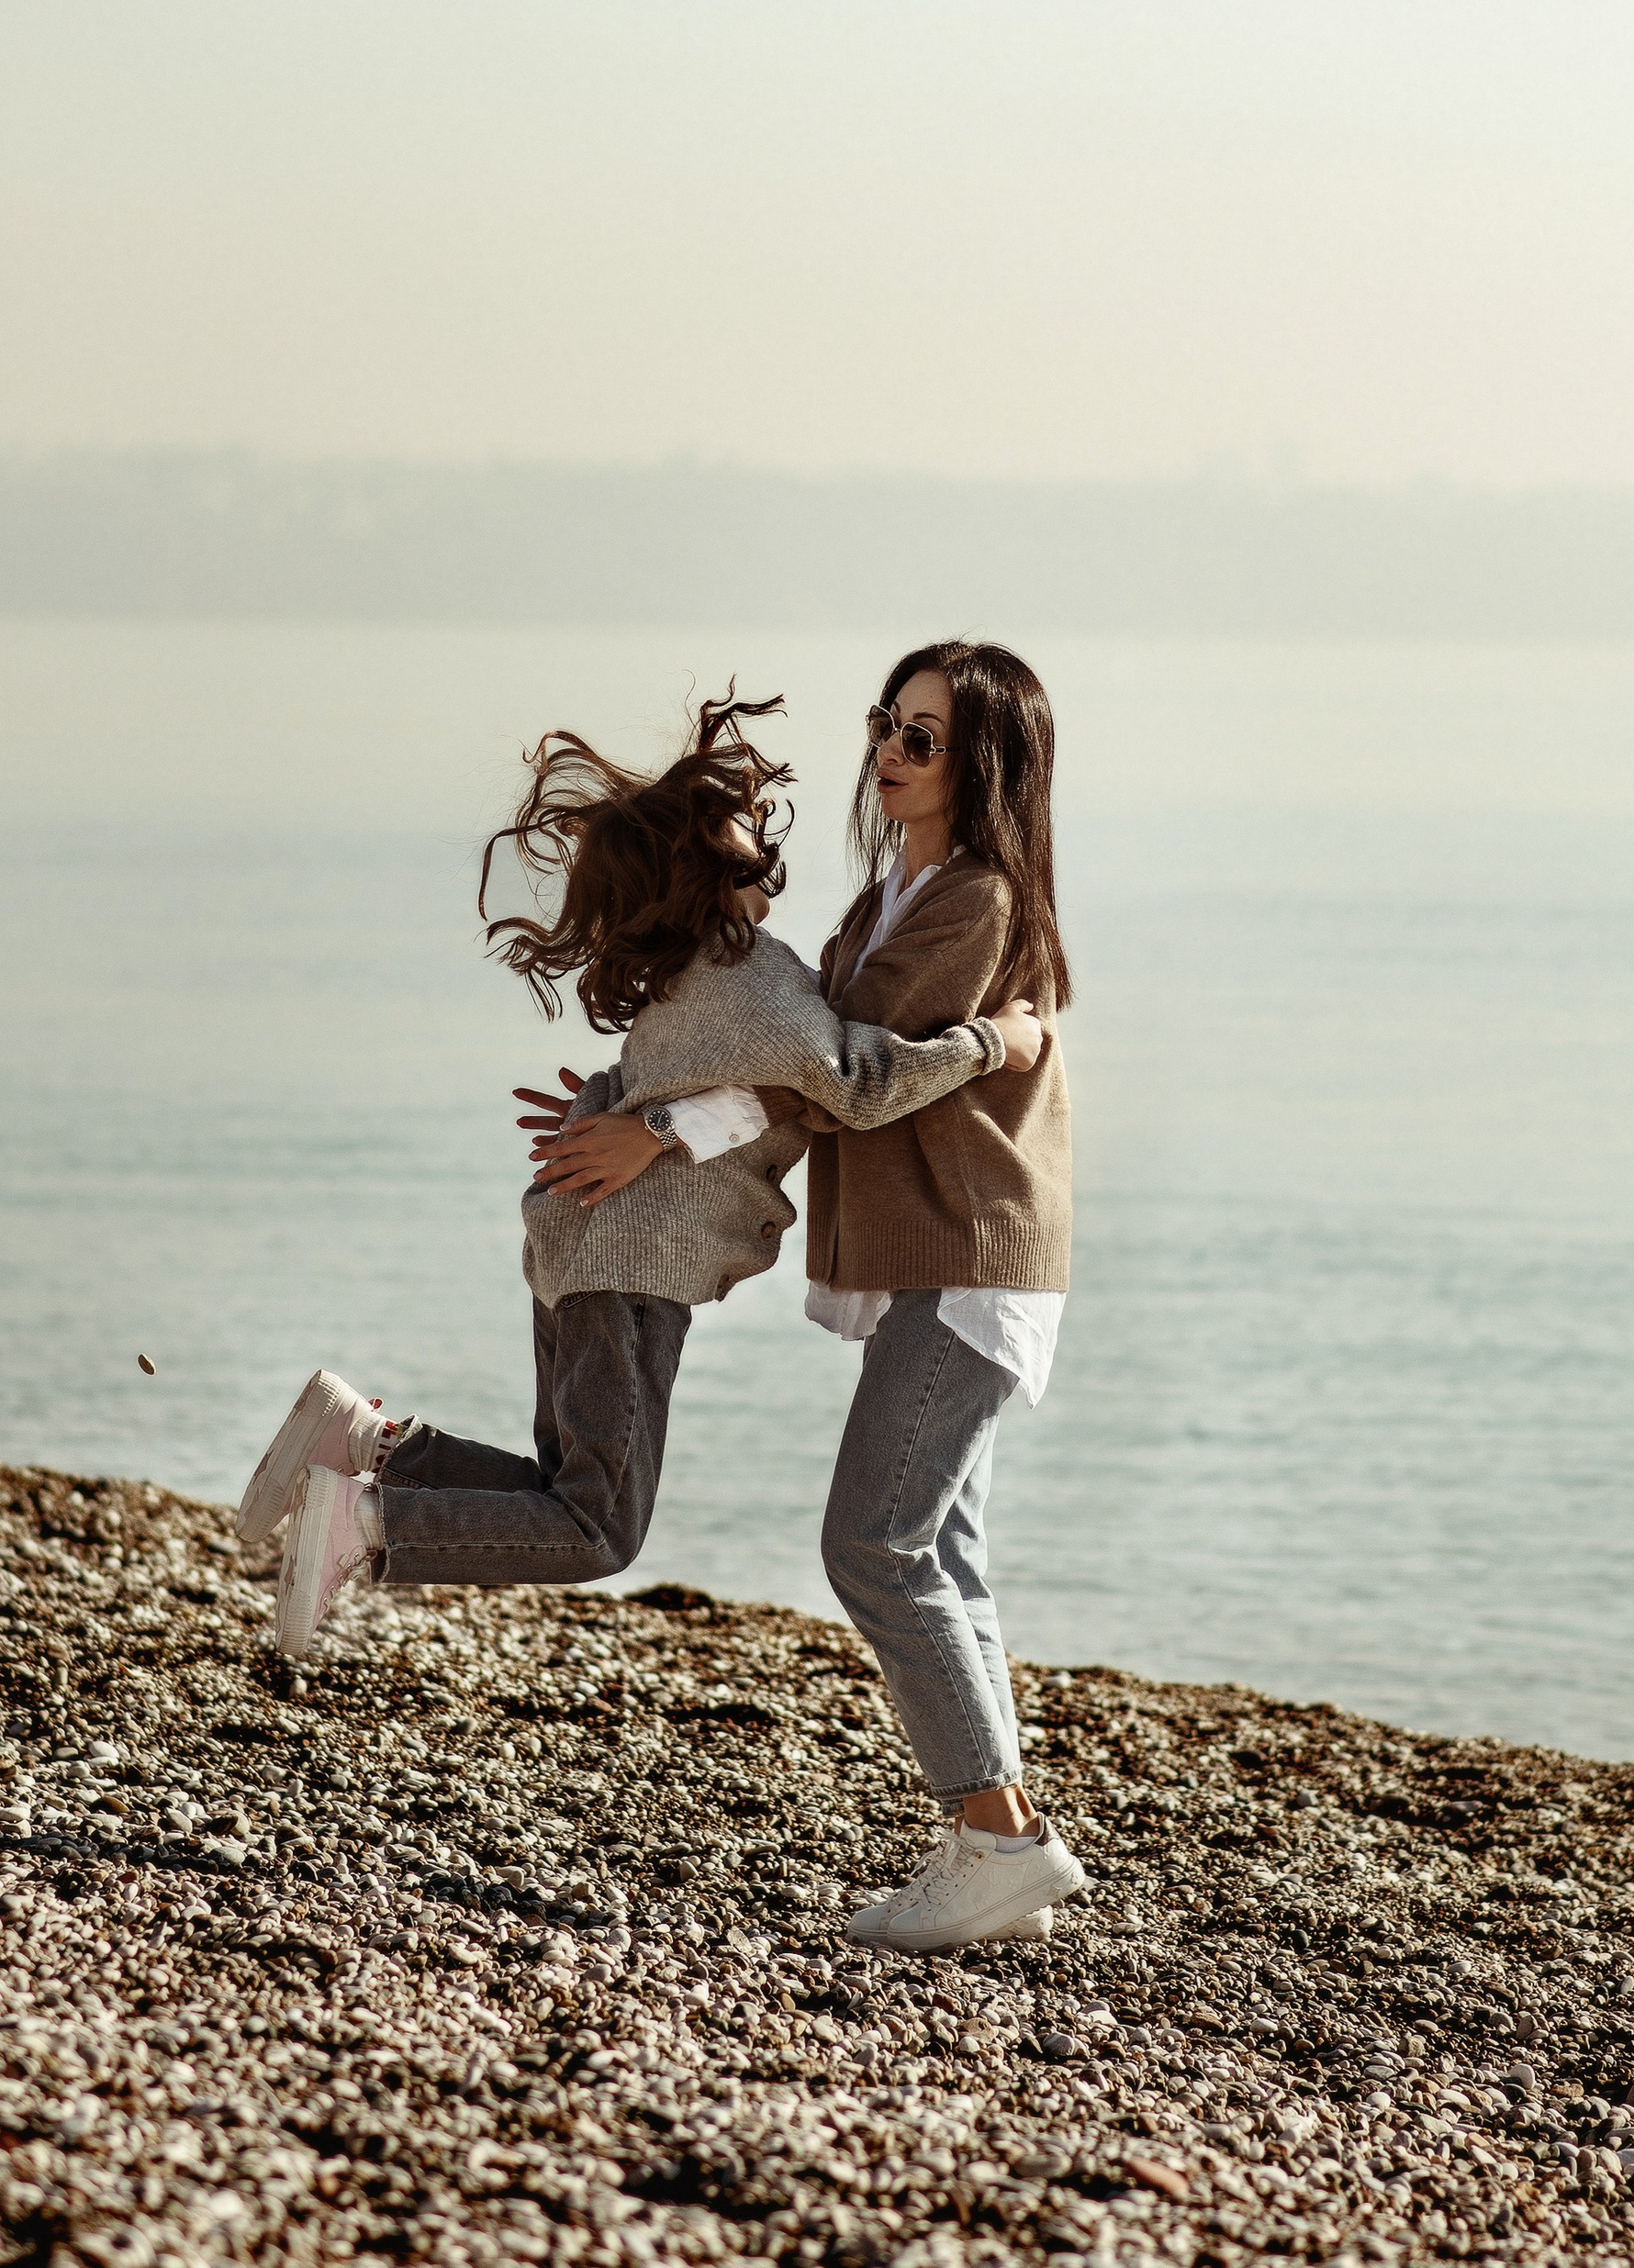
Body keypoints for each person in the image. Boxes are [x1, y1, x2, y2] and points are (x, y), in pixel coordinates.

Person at [237, 691, 1044, 1659]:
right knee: (597, 1529)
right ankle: (366, 1522)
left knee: (560, 1487)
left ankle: (367, 1442)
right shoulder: (756, 983)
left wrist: (624, 1112)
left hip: (583, 1249)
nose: (773, 863)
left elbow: (672, 1076)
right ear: (705, 877)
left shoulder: (691, 975)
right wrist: (990, 1043)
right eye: (752, 852)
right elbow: (861, 1085)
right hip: (632, 1269)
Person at [801, 641, 1087, 1951]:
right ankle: (1001, 1849)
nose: (893, 753)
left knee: (875, 1538)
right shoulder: (893, 888)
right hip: (946, 1248)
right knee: (946, 1552)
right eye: (888, 725)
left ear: (983, 763)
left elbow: (843, 1048)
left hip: (976, 1251)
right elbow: (828, 1024)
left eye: (925, 737)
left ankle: (999, 1840)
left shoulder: (973, 896)